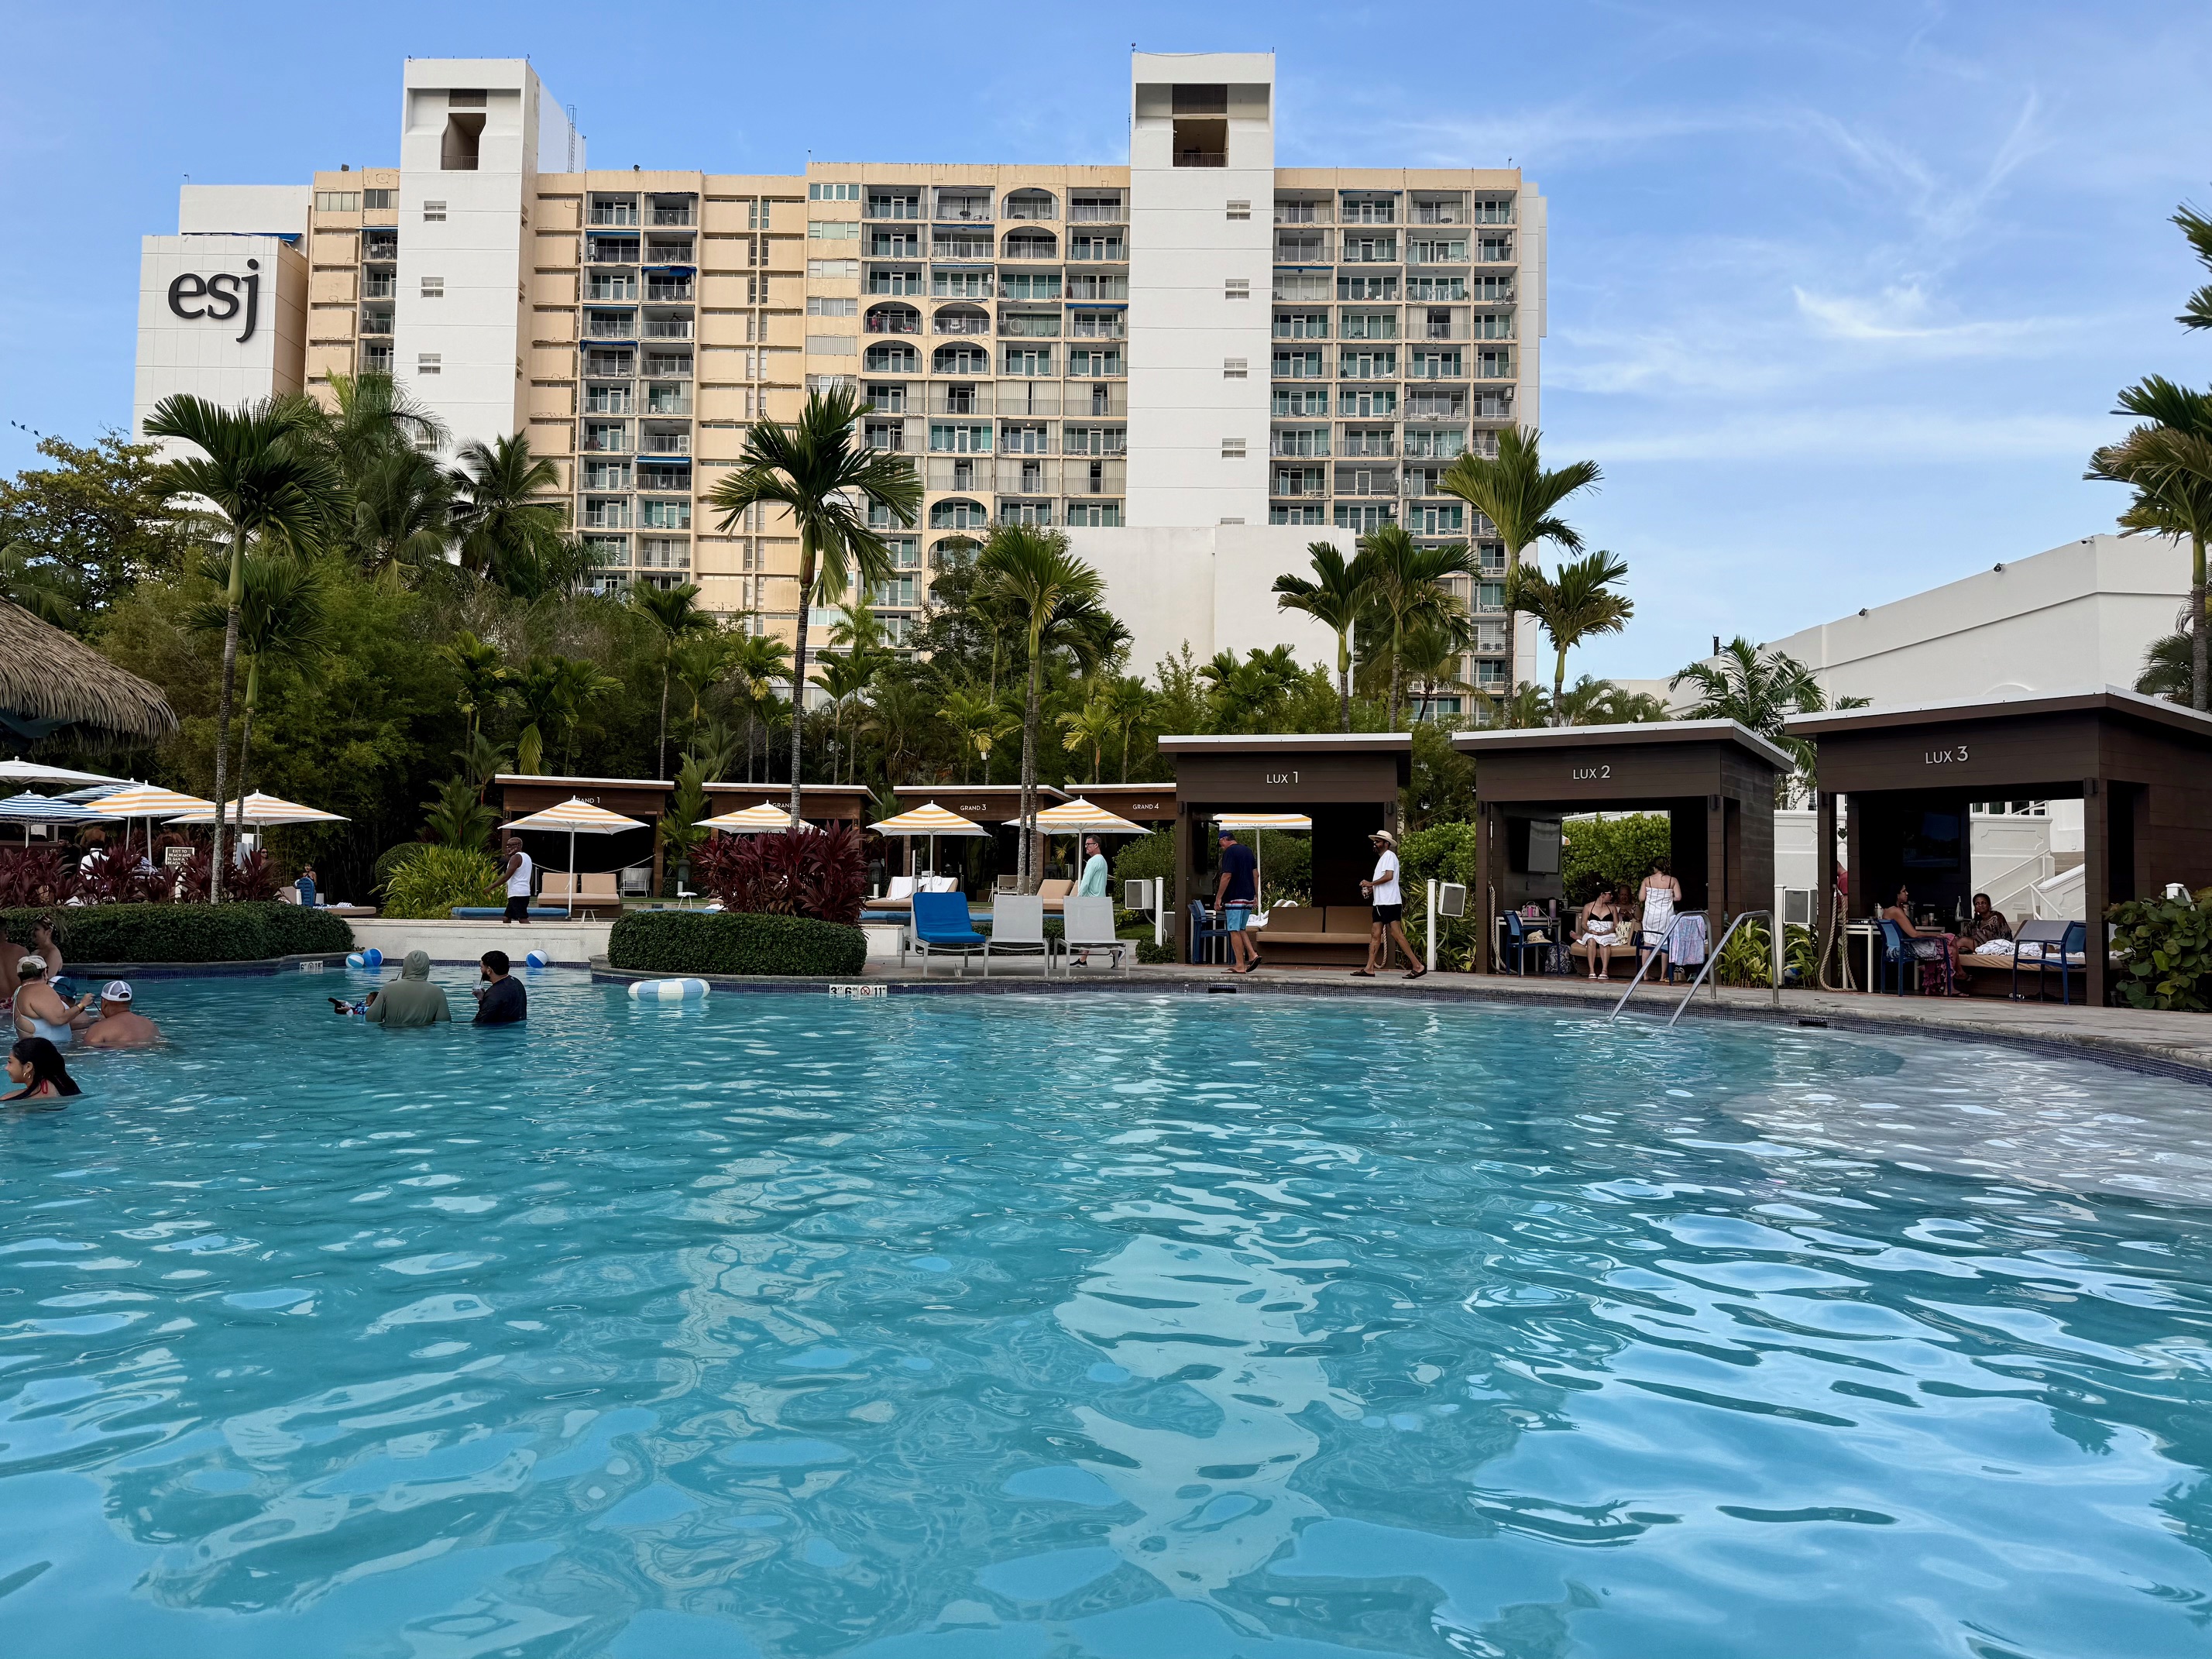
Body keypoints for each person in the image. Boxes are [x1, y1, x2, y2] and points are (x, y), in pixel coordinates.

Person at [1355, 829, 1423, 980]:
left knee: (1396, 934)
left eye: (1378, 841)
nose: (1375, 843)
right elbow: (1384, 880)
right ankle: (1369, 968)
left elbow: (1389, 877)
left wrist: (1371, 883)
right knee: (1375, 934)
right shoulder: (1382, 859)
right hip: (1380, 903)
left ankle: (1417, 966)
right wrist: (1372, 888)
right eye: (1375, 841)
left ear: (1386, 844)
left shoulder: (1390, 856)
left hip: (1390, 903)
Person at [1881, 883, 1965, 996]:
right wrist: (1935, 935)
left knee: (1950, 940)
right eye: (1904, 891)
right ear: (1897, 894)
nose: (1907, 893)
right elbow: (1914, 934)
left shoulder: (1887, 911)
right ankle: (1952, 982)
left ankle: (1942, 980)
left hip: (1893, 949)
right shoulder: (1896, 911)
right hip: (1904, 948)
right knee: (1950, 943)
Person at [331, 950, 452, 1027]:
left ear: (406, 966)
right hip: (425, 1041)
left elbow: (372, 1018)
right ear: (427, 968)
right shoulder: (438, 992)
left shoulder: (389, 988)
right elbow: (444, 1024)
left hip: (393, 1041)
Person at [12, 956, 91, 1046]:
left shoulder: (19, 992)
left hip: (32, 1050)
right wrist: (83, 1004)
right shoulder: (41, 989)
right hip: (48, 1052)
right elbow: (59, 1019)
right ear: (45, 972)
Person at [1214, 827, 1259, 974]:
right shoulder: (1248, 851)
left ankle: (1240, 965)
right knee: (1241, 928)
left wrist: (1219, 897)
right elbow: (1256, 874)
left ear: (1224, 840)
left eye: (1221, 845)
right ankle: (1253, 955)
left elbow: (1227, 875)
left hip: (1234, 896)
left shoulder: (1230, 852)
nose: (1222, 848)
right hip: (1248, 896)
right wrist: (1255, 895)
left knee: (1233, 930)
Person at [1637, 856, 1682, 980]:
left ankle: (1644, 974)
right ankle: (1663, 976)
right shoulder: (1672, 880)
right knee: (1665, 944)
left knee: (1648, 942)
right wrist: (1668, 899)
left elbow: (1641, 898)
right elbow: (1678, 897)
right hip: (1666, 915)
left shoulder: (1647, 880)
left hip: (1650, 915)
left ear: (1655, 867)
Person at [81, 981, 161, 1048]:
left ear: (104, 1002)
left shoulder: (98, 1029)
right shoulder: (149, 1024)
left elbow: (88, 1053)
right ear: (131, 1001)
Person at [1073, 835, 1112, 968]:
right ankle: (1083, 959)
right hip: (1098, 902)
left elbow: (1085, 883)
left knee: (1094, 931)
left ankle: (1116, 951)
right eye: (1085, 845)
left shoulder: (1094, 861)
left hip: (1091, 903)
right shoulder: (1102, 861)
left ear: (1096, 845)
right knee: (1094, 931)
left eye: (1088, 844)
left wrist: (1078, 899)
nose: (1086, 847)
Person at [3, 1036, 80, 1101]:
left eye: (10, 1062)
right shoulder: (69, 1090)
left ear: (28, 1067)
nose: (6, 1068)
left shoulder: (9, 1100)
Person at [1575, 884, 1626, 981]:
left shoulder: (1612, 908)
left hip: (1608, 933)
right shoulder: (1588, 906)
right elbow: (1583, 924)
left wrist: (1608, 931)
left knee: (1604, 942)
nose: (1611, 896)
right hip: (1593, 932)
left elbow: (1616, 925)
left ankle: (1604, 971)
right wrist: (1590, 930)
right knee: (1591, 940)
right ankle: (1592, 970)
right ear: (1602, 894)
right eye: (1609, 894)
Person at [473, 950, 527, 1025]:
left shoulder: (493, 994)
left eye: (481, 967)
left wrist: (485, 1000)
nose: (481, 970)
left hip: (499, 1032)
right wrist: (483, 1000)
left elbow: (480, 1023)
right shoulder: (517, 982)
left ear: (489, 970)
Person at [500, 836, 534, 924]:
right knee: (506, 918)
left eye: (511, 845)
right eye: (507, 846)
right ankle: (508, 936)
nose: (508, 848)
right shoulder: (527, 857)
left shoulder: (516, 858)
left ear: (519, 846)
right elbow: (531, 876)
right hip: (519, 893)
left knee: (522, 919)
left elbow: (506, 877)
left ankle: (534, 935)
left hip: (518, 894)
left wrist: (490, 887)